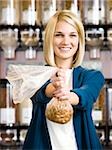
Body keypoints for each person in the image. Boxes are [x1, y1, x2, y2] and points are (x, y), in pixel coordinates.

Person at [23, 10, 105, 150]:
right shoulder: (37, 76)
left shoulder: (93, 76)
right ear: (50, 39)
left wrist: (68, 95)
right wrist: (54, 87)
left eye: (72, 35)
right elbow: (39, 92)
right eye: (59, 35)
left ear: (79, 41)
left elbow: (86, 94)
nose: (66, 41)